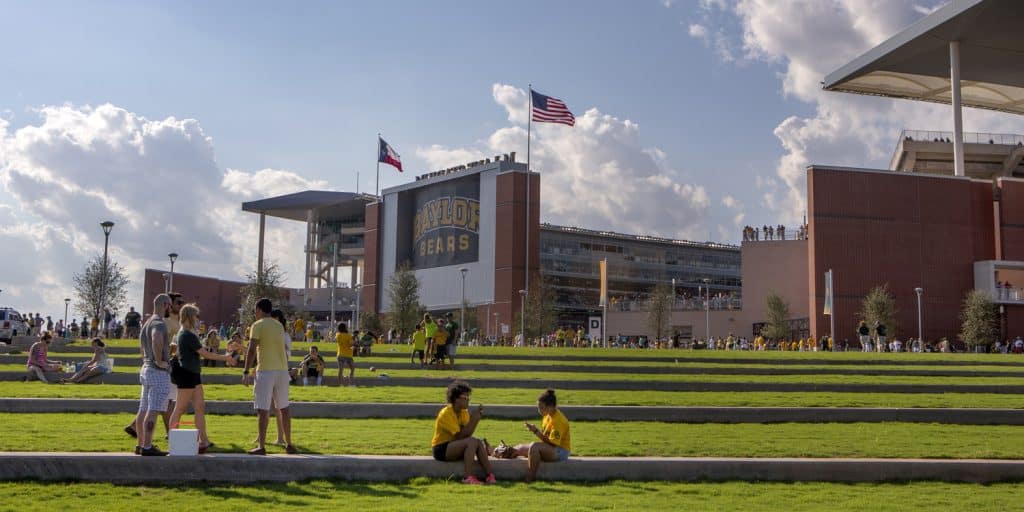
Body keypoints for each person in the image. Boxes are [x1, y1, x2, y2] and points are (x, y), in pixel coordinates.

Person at [167, 304, 236, 453]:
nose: (198, 319)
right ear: (190, 316)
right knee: (180, 408)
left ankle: (203, 440)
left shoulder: (186, 333)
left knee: (200, 407)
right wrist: (226, 358)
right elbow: (205, 354)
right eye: (196, 316)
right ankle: (173, 438)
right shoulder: (187, 334)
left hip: (193, 374)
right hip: (187, 374)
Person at [242, 298, 297, 455]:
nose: (255, 313)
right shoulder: (279, 325)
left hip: (265, 370)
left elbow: (252, 349)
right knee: (284, 408)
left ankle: (261, 445)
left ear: (259, 309)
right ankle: (289, 443)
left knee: (263, 409)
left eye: (255, 310)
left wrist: (246, 370)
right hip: (281, 370)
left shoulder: (257, 325)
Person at [430, 380, 496, 485]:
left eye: (468, 398)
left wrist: (475, 420)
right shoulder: (446, 413)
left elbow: (467, 434)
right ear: (456, 399)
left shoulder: (463, 413)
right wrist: (473, 420)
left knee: (477, 442)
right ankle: (467, 477)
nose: (468, 400)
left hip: (455, 444)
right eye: (465, 398)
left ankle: (490, 475)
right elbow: (460, 436)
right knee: (471, 442)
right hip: (441, 448)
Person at [133, 294, 174, 456]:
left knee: (143, 408)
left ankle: (140, 444)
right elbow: (156, 337)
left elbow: (142, 347)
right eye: (170, 306)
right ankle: (148, 446)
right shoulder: (158, 322)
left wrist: (148, 359)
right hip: (157, 371)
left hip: (146, 368)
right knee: (154, 409)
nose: (170, 309)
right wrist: (159, 360)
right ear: (165, 305)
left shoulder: (147, 322)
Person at [514, 389, 571, 483]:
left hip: (561, 451)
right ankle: (492, 451)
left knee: (534, 447)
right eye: (538, 407)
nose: (539, 410)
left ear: (551, 406)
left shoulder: (558, 420)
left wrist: (536, 431)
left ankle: (530, 477)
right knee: (519, 448)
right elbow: (546, 440)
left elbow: (553, 443)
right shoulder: (547, 416)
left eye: (541, 407)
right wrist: (536, 432)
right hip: (551, 447)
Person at [336, 322, 355, 386]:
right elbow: (351, 345)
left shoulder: (338, 335)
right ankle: (350, 383)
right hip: (348, 354)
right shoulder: (349, 335)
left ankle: (341, 384)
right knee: (352, 369)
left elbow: (337, 340)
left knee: (340, 370)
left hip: (340, 354)